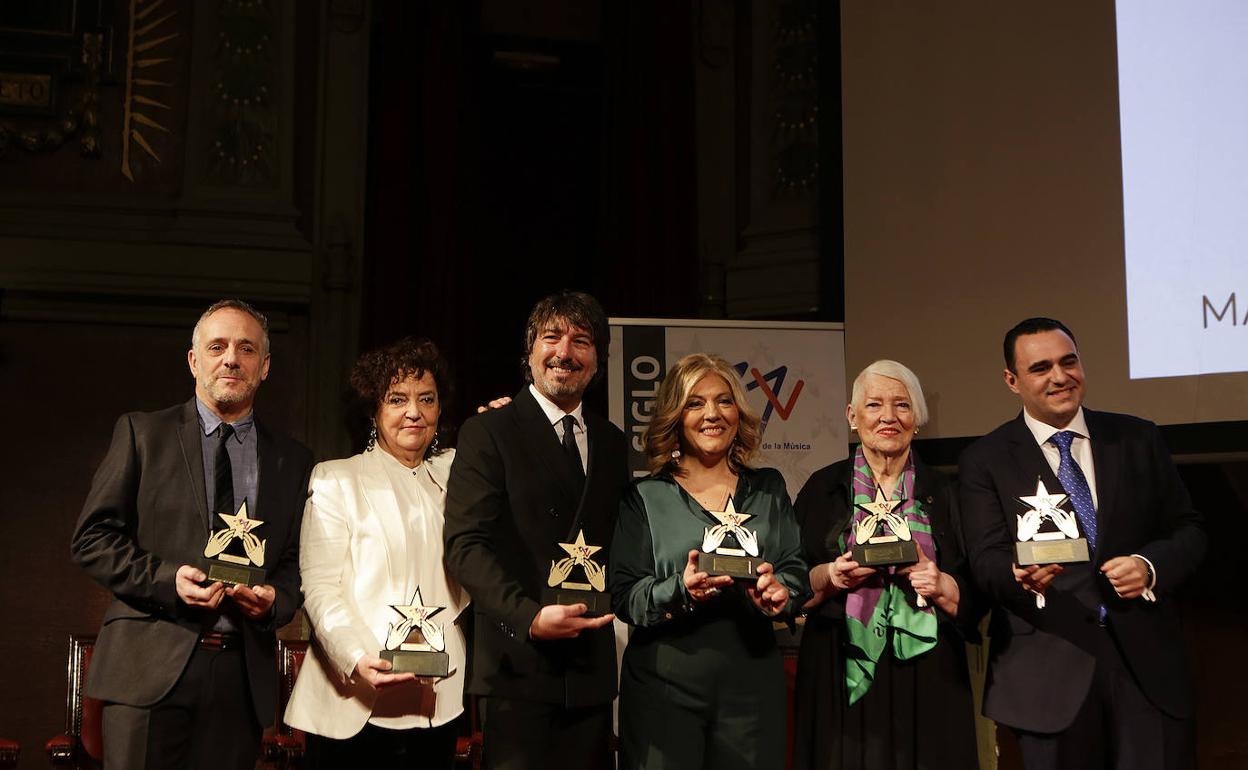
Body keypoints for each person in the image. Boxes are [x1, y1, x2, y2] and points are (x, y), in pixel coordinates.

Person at [70, 299, 313, 770]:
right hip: (146, 670)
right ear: (193, 360)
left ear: (263, 367)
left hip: (238, 679)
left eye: (246, 349)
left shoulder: (294, 460)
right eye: (217, 346)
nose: (230, 359)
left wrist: (274, 600)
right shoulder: (143, 434)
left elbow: (296, 561)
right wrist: (166, 580)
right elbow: (92, 538)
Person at [959, 317, 1206, 770]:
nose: (1060, 376)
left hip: (1146, 667)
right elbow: (985, 558)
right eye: (1041, 368)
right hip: (1046, 673)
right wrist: (1019, 578)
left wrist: (1149, 566)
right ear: (1012, 381)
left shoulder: (1137, 438)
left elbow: (1189, 530)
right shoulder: (985, 459)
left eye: (1068, 362)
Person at [443, 290, 628, 770]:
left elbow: (622, 546)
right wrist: (527, 617)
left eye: (581, 341)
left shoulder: (612, 443)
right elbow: (466, 545)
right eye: (552, 337)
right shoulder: (488, 432)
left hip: (590, 671)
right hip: (516, 668)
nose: (565, 352)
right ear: (529, 352)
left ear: (597, 360)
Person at [610, 353, 806, 770]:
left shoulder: (768, 489)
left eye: (724, 401)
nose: (712, 414)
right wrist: (682, 588)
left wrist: (781, 592)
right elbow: (626, 595)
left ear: (739, 413)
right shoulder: (645, 496)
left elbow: (794, 567)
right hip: (663, 690)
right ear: (675, 416)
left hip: (752, 687)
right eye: (695, 403)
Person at [284, 337, 470, 769]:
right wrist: (356, 657)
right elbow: (320, 586)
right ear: (373, 409)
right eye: (397, 399)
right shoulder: (336, 480)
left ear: (440, 410)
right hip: (351, 700)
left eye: (427, 399)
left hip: (437, 699)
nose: (414, 412)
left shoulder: (459, 475)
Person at [791, 360, 980, 770]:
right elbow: (792, 579)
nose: (889, 417)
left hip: (930, 670)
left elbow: (979, 586)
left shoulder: (948, 491)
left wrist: (942, 582)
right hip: (839, 664)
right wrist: (831, 575)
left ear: (917, 419)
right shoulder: (823, 489)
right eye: (874, 404)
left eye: (902, 405)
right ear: (852, 417)